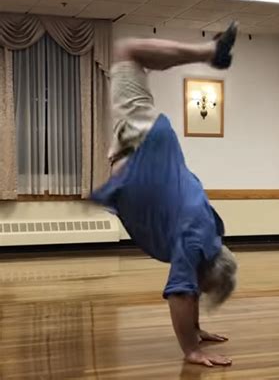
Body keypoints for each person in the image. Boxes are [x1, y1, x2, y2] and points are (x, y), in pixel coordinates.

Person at [90, 22, 239, 366]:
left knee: (132, 55)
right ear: (206, 268)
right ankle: (209, 53)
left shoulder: (208, 235)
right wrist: (192, 349)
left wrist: (197, 328)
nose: (198, 291)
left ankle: (210, 54)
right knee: (127, 50)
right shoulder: (193, 243)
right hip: (139, 142)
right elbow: (180, 294)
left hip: (151, 142)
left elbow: (191, 287)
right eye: (204, 287)